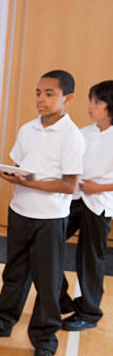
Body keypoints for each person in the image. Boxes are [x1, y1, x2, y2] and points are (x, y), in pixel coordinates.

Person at [0, 70, 85, 356]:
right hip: (20, 212)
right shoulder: (27, 129)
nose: (41, 99)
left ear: (67, 99)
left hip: (50, 218)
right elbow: (20, 166)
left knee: (47, 282)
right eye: (38, 93)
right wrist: (13, 175)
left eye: (49, 94)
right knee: (14, 273)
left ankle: (45, 339)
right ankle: (1, 321)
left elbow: (69, 185)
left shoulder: (72, 136)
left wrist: (27, 182)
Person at [59, 80, 113, 331]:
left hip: (100, 203)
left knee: (89, 259)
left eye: (97, 102)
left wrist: (97, 188)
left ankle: (89, 313)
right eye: (91, 100)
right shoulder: (84, 133)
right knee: (49, 244)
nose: (91, 106)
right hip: (76, 199)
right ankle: (61, 299)